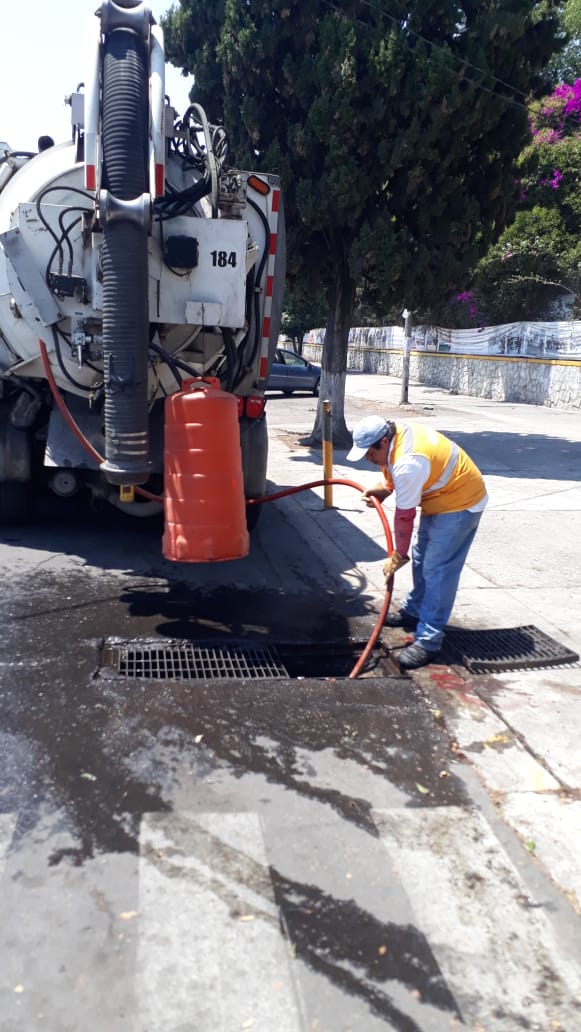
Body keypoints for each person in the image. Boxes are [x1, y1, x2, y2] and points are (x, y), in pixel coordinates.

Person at [347, 414, 487, 670]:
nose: (368, 459)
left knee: (438, 569)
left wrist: (398, 554)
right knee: (422, 556)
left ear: (383, 441)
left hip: (462, 503)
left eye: (369, 453)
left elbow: (404, 516)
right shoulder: (395, 439)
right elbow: (391, 470)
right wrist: (386, 487)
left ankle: (428, 640)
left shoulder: (408, 462)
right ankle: (413, 611)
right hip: (440, 498)